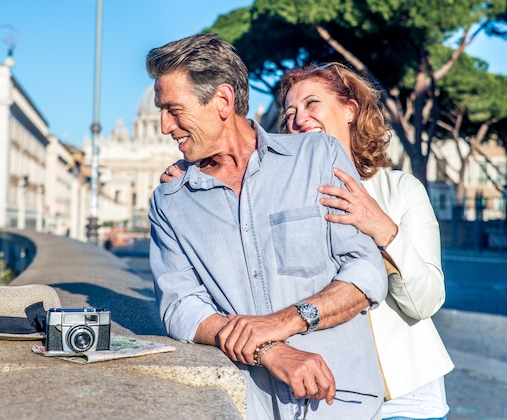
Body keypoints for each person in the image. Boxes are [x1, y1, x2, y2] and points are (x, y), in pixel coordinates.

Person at [147, 33, 387, 419]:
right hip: (243, 406)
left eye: (174, 109)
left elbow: (366, 272)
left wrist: (282, 323)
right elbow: (180, 307)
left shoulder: (318, 157)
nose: (164, 126)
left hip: (341, 403)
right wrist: (268, 349)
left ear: (223, 101)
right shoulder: (170, 203)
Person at [277, 63, 454, 419]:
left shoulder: (402, 190)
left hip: (405, 397)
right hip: (324, 399)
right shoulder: (280, 197)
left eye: (312, 104)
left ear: (350, 110)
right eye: (291, 112)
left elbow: (425, 302)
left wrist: (382, 228)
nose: (298, 119)